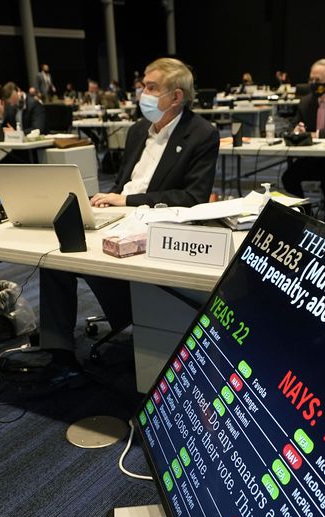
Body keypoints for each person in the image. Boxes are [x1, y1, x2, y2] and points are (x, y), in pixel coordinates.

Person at [35, 57, 219, 382]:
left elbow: (192, 198)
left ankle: (132, 317)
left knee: (84, 259)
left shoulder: (202, 134)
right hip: (117, 218)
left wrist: (127, 200)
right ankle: (60, 353)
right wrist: (104, 201)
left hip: (155, 227)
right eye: (142, 86)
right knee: (55, 256)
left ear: (176, 97)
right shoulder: (137, 131)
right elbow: (123, 185)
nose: (141, 94)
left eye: (151, 88)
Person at [280, 59, 325, 225]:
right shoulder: (306, 101)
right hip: (311, 157)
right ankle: (307, 214)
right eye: (311, 80)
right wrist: (296, 130)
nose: (313, 84)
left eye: (318, 81)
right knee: (288, 178)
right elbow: (294, 125)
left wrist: (315, 134)